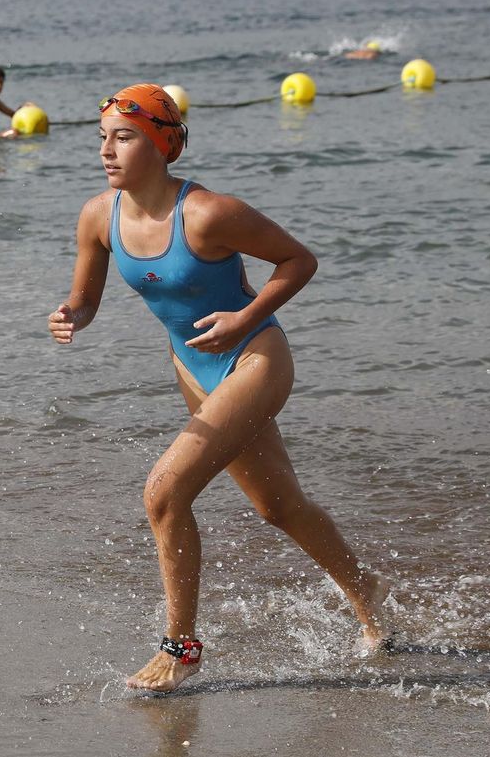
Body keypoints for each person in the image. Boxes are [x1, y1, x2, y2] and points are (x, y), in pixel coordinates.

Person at [47, 84, 389, 694]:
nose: (107, 150)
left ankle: (180, 649)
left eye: (123, 138)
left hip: (255, 358)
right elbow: (88, 295)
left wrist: (245, 316)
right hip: (192, 370)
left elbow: (299, 261)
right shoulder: (99, 216)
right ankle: (371, 601)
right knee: (278, 507)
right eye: (102, 138)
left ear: (161, 145)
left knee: (164, 492)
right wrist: (71, 312)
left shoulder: (207, 214)